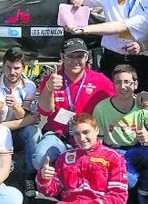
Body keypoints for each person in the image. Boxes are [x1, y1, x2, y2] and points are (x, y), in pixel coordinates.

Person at [93, 64, 148, 204]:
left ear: (135, 84)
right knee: (131, 182)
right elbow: (99, 143)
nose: (123, 86)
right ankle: (139, 187)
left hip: (139, 149)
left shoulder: (144, 105)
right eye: (118, 82)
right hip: (115, 151)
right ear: (113, 84)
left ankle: (145, 192)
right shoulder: (101, 108)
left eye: (127, 82)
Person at [31, 38, 116, 170]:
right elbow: (44, 111)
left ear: (86, 57)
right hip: (58, 134)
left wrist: (142, 98)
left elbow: (119, 100)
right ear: (62, 56)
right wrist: (48, 89)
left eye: (80, 56)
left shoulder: (100, 80)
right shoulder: (52, 79)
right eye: (70, 56)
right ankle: (45, 179)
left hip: (87, 137)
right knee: (40, 159)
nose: (75, 61)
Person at [0, 47, 40, 197]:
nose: (12, 72)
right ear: (3, 66)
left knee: (34, 132)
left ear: (23, 68)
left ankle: (29, 177)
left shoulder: (29, 86)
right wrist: (7, 123)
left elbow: (27, 116)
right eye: (8, 67)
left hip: (18, 132)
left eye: (17, 68)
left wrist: (16, 107)